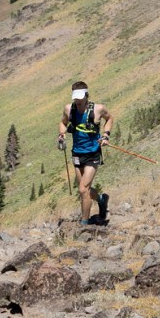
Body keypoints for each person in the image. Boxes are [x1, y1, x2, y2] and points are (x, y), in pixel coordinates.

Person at [58, 81, 113, 225]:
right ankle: (101, 199)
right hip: (77, 154)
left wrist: (106, 135)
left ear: (87, 95)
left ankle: (84, 223)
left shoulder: (98, 109)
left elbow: (109, 118)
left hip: (93, 153)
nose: (78, 100)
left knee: (83, 190)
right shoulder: (69, 109)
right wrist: (62, 134)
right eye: (76, 97)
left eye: (81, 97)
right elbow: (63, 123)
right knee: (84, 189)